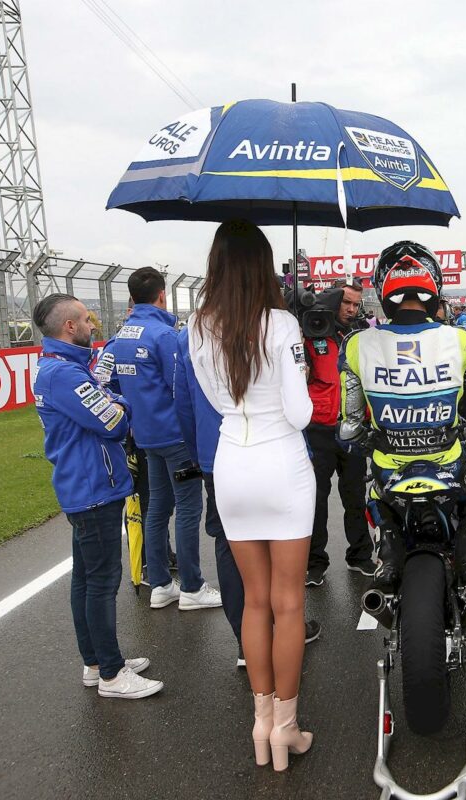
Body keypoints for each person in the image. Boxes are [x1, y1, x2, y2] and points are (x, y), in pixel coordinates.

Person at [187, 220, 315, 771]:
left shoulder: (198, 324)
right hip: (282, 463)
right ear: (264, 267)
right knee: (288, 604)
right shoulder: (282, 322)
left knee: (254, 601)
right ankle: (285, 727)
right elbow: (300, 412)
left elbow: (218, 401)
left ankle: (261, 724)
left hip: (231, 463)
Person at [338, 241, 466, 593]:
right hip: (450, 464)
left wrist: (380, 439)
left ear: (383, 289)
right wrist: (460, 435)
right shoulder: (461, 340)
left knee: (375, 496)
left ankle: (387, 548)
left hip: (389, 467)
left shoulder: (355, 344)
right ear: (434, 288)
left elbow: (350, 429)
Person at [31, 293, 162, 700]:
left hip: (86, 484)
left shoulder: (65, 367)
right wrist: (118, 403)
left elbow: (107, 406)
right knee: (101, 583)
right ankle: (110, 672)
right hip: (92, 488)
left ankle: (96, 662)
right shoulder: (64, 375)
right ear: (69, 327)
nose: (93, 325)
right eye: (86, 319)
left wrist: (112, 399)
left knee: (87, 579)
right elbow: (114, 421)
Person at [174, 324, 322, 667]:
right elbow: (298, 410)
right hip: (274, 451)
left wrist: (198, 452)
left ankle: (247, 642)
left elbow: (182, 398)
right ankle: (280, 634)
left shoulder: (192, 331)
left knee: (230, 547)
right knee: (280, 567)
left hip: (222, 452)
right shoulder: (277, 324)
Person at [102, 267, 220, 612]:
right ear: (162, 295)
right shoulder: (164, 335)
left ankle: (161, 584)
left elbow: (116, 388)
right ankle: (193, 588)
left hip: (146, 437)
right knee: (187, 508)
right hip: (176, 438)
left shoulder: (122, 335)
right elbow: (181, 388)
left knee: (157, 509)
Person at [303, 285, 373, 586]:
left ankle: (360, 556)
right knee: (316, 499)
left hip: (353, 428)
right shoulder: (308, 333)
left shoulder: (357, 336)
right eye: (346, 303)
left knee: (355, 496)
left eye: (356, 305)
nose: (352, 309)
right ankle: (315, 562)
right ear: (333, 302)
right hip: (318, 428)